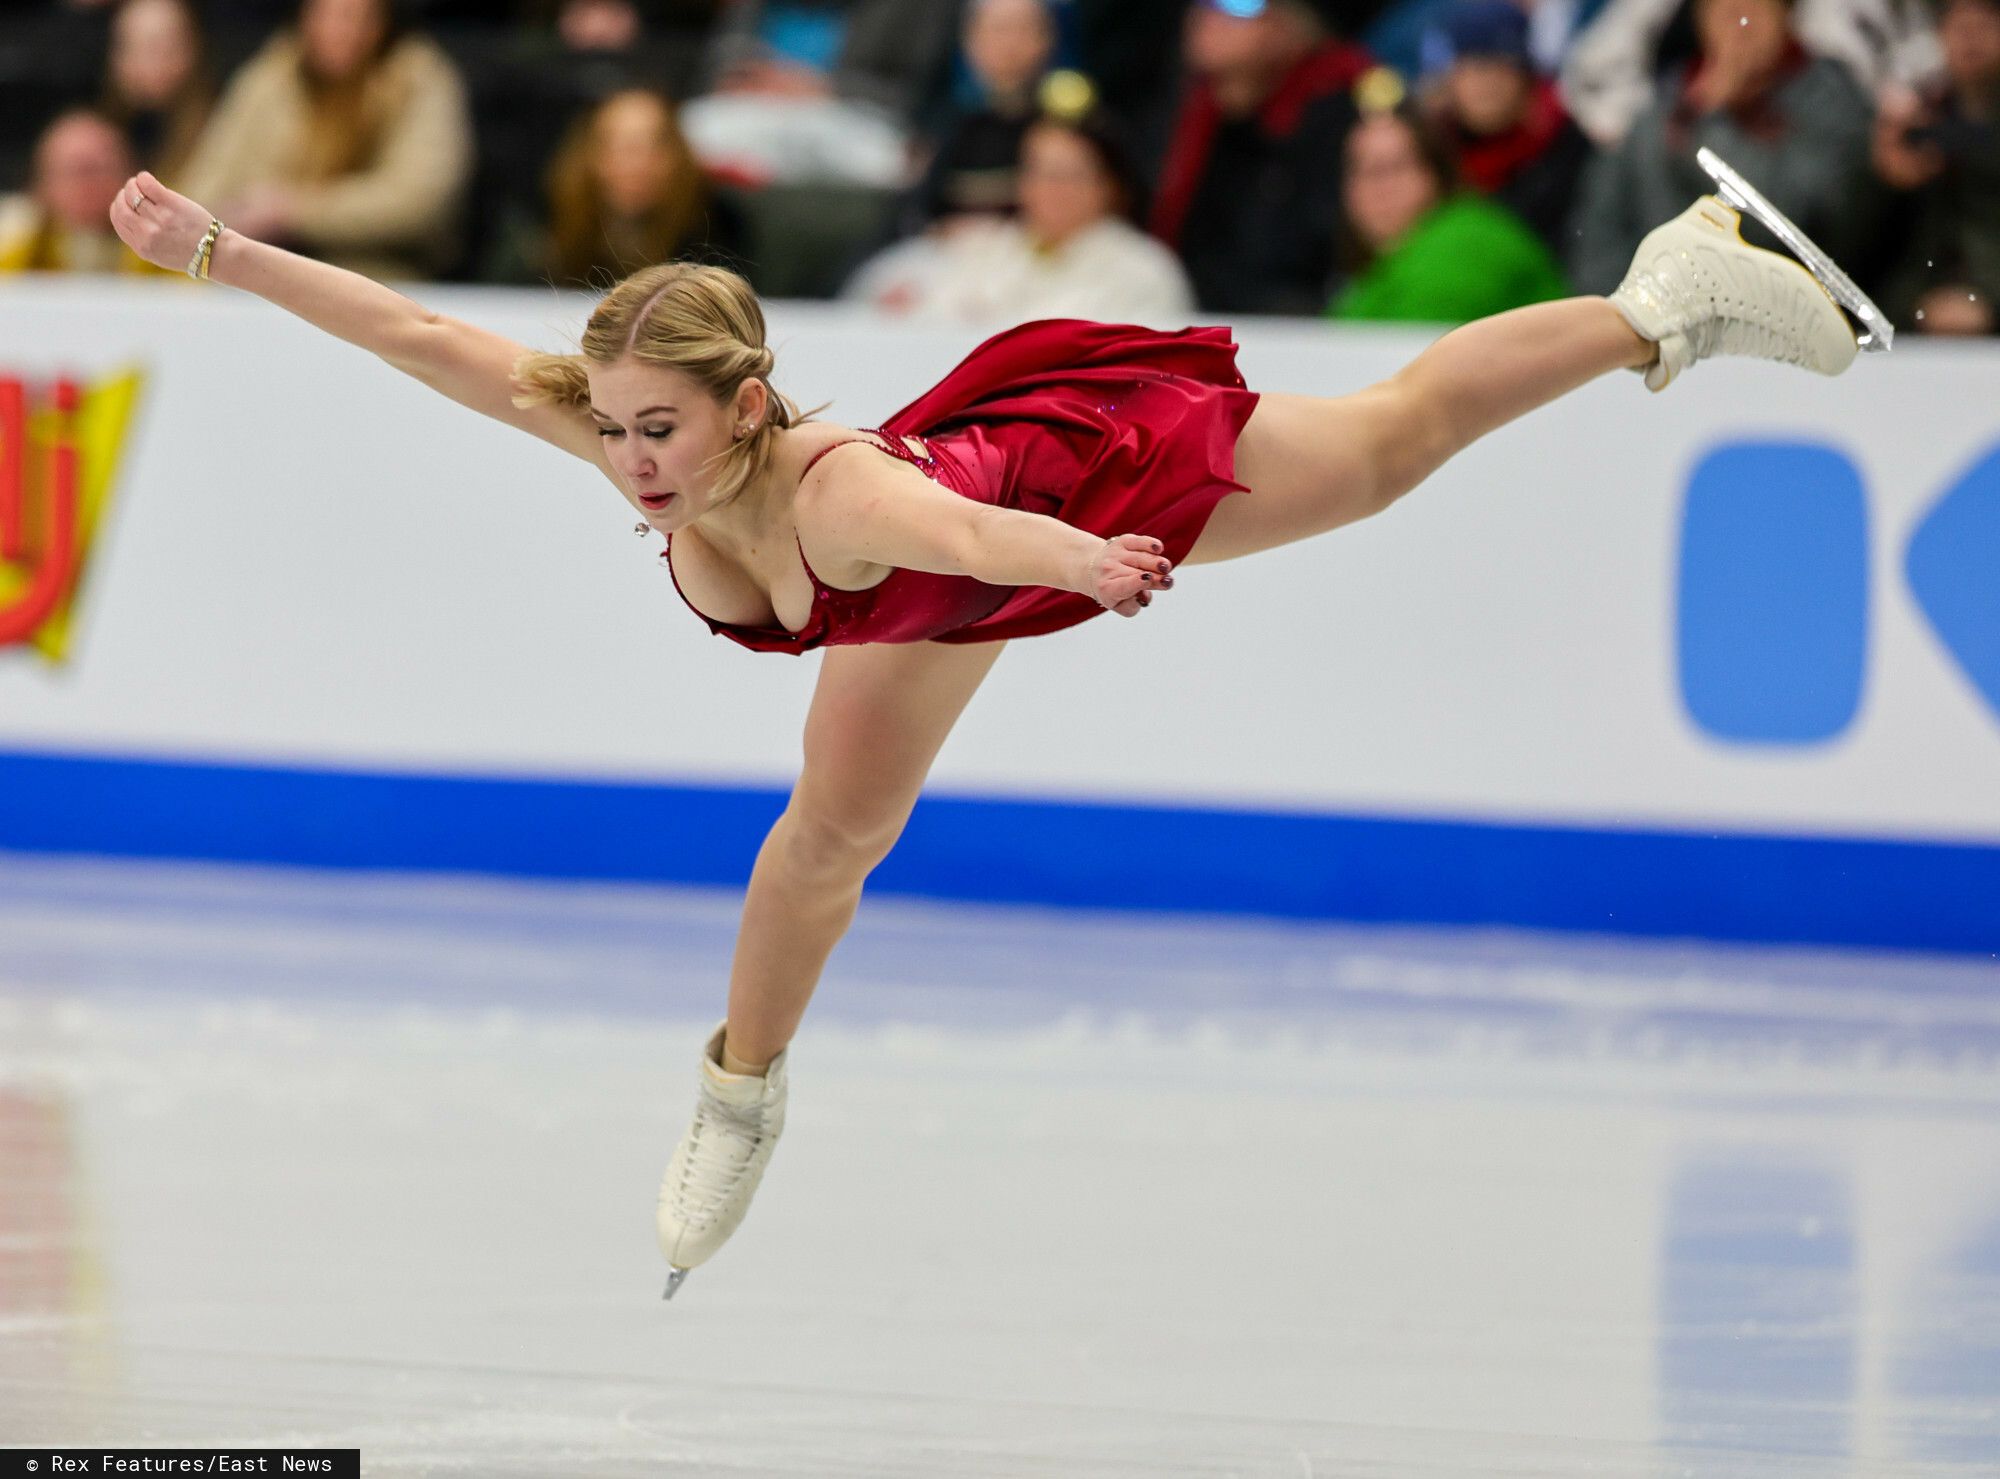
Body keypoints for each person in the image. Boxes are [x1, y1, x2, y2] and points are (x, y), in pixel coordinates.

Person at [107, 151, 1863, 1296]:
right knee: (827, 844)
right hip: (942, 588)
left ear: (743, 404)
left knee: (1390, 447)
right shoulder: (623, 434)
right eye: (618, 429)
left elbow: (956, 542)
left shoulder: (841, 493)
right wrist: (218, 251)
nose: (631, 464)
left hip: (1049, 496)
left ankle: (1660, 303)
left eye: (660, 430)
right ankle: (741, 1091)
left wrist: (1088, 560)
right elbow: (414, 331)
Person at [1566, 0, 1875, 294]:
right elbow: (1599, 236)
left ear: (1786, 14)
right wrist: (1631, 310)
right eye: (1720, 8)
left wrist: (1712, 119)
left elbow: (1780, 227)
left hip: (1775, 321)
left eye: (1753, 7)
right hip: (1661, 317)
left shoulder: (1829, 98)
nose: (1738, 22)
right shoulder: (1665, 105)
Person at [176, 0, 474, 279]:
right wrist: (237, 214)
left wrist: (294, 211)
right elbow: (204, 184)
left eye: (356, 16)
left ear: (383, 21)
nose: (341, 30)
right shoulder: (272, 77)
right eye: (327, 14)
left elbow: (417, 200)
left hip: (380, 276)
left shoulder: (418, 78)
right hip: (259, 268)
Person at [842, 97, 1196, 324]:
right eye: (1038, 171)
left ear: (1108, 187)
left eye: (1067, 176)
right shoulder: (986, 247)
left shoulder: (1144, 269)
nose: (1050, 190)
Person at [1148, 0, 1374, 313]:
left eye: (1238, 5)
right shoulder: (1188, 117)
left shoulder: (1336, 111)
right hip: (1199, 312)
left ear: (1290, 23)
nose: (1209, 17)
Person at [1329, 93, 1570, 322]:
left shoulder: (1467, 240)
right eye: (1363, 171)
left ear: (1437, 173)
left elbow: (1399, 349)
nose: (1380, 189)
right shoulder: (1382, 267)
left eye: (1396, 167)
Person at [487, 87, 746, 289]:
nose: (636, 164)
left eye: (654, 146)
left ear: (679, 158)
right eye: (617, 147)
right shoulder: (540, 236)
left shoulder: (719, 232)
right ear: (587, 156)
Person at [1866, 0, 1999, 334]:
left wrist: (1990, 302)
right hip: (1916, 311)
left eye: (1983, 28)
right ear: (1940, 36)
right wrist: (1883, 177)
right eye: (1960, 29)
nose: (1971, 41)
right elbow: (1880, 248)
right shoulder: (1914, 126)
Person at [1421, 0, 1593, 250]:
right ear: (1450, 79)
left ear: (1526, 77)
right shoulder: (1431, 153)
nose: (1488, 82)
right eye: (1475, 67)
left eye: (1503, 66)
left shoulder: (1567, 147)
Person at [0, 111, 159, 275]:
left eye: (98, 169)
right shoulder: (16, 261)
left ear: (130, 175)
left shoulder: (162, 255)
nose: (88, 185)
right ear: (41, 185)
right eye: (73, 171)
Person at [100, 0, 214, 185]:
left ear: (193, 50)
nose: (144, 63)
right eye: (130, 47)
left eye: (161, 47)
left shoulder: (218, 131)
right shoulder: (102, 137)